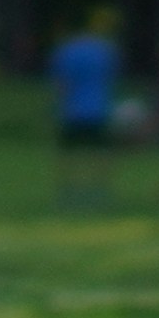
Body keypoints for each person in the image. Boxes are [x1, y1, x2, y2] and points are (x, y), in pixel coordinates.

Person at [49, 13, 122, 204]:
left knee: (69, 153)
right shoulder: (104, 51)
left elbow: (61, 84)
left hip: (72, 110)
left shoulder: (65, 52)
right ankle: (99, 189)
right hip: (98, 109)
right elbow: (111, 79)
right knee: (100, 152)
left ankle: (69, 189)